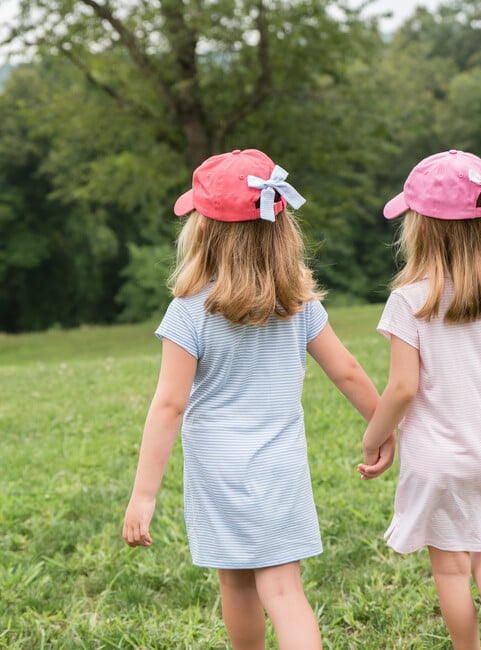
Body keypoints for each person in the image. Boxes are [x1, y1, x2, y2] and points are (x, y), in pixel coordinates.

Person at [122, 148, 393, 650]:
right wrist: (384, 428)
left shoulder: (188, 311)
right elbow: (349, 372)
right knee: (285, 591)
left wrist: (143, 495)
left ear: (202, 231)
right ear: (280, 228)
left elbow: (168, 406)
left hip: (218, 471)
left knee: (236, 583)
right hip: (280, 467)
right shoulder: (298, 305)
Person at [358, 149, 481, 650]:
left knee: (450, 569)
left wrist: (374, 436)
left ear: (422, 228)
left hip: (435, 456)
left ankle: (469, 646)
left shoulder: (410, 298)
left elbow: (402, 388)